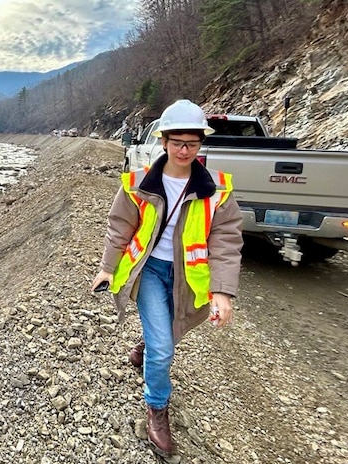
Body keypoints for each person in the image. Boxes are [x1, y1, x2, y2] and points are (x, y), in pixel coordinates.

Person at [90, 99, 243, 457]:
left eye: (193, 143)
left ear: (201, 143)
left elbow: (226, 241)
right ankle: (157, 409)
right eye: (178, 143)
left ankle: (145, 348)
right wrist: (108, 268)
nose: (185, 150)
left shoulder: (217, 189)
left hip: (188, 277)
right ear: (164, 142)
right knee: (164, 349)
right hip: (150, 272)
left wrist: (222, 292)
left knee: (170, 332)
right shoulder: (139, 183)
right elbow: (120, 227)